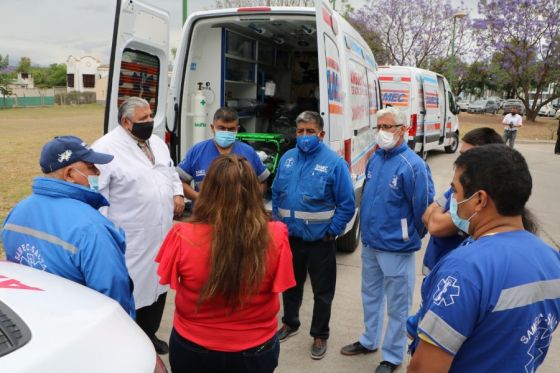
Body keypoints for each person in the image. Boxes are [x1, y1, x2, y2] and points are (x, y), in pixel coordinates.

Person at [408, 144, 560, 372]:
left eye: (455, 192)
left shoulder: (465, 269)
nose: (452, 201)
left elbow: (425, 368)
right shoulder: (551, 258)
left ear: (479, 200)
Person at [156, 155, 295, 373]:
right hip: (255, 349)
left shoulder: (181, 235)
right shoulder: (277, 235)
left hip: (193, 347)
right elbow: (281, 285)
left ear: (208, 190)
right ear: (254, 190)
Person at [340, 107, 434, 373]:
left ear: (403, 129)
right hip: (371, 244)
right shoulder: (376, 158)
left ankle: (392, 357)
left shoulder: (412, 165)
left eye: (388, 127)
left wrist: (409, 235)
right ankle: (369, 340)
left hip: (396, 247)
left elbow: (423, 207)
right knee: (370, 296)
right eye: (379, 126)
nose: (382, 132)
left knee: (397, 305)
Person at [1, 136, 135, 317]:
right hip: (78, 327)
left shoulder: (17, 211)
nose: (98, 173)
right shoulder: (93, 228)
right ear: (70, 174)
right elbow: (114, 300)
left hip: (33, 319)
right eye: (91, 166)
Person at [92, 97, 184, 355]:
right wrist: (106, 238)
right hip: (131, 238)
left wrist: (177, 193)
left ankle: (150, 334)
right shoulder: (105, 149)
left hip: (163, 232)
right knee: (133, 291)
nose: (150, 122)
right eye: (143, 119)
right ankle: (132, 342)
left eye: (151, 116)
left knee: (160, 285)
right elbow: (99, 198)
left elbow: (170, 170)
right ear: (125, 122)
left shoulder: (156, 142)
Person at [272, 111, 355, 360]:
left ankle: (320, 334)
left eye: (310, 131)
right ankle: (290, 323)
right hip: (292, 238)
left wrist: (333, 231)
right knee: (291, 285)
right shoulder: (287, 158)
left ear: (321, 134)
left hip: (322, 241)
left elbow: (347, 204)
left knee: (322, 291)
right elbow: (276, 193)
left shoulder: (334, 163)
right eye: (300, 131)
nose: (305, 136)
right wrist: (278, 221)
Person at [421, 127, 504, 275]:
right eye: (461, 155)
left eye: (468, 157)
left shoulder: (478, 201)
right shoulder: (457, 188)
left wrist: (437, 213)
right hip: (434, 270)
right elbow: (426, 215)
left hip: (453, 276)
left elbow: (434, 225)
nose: (460, 162)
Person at [176, 107, 270, 202]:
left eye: (231, 129)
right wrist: (201, 198)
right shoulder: (197, 151)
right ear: (212, 128)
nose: (226, 132)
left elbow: (262, 182)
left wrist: (250, 200)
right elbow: (180, 182)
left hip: (240, 215)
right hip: (205, 213)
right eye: (221, 128)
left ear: (237, 129)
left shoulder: (248, 152)